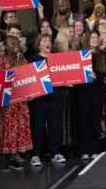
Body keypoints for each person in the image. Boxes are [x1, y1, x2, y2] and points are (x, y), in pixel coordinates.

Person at [0, 36, 32, 172]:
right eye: (12, 43)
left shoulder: (23, 59)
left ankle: (14, 156)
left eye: (17, 43)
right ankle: (4, 158)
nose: (15, 45)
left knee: (18, 129)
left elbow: (29, 76)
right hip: (7, 102)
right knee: (7, 129)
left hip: (21, 101)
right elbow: (0, 78)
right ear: (5, 46)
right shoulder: (0, 60)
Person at [29, 35, 66, 167]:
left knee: (56, 126)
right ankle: (35, 155)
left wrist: (68, 81)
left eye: (49, 40)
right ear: (38, 44)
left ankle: (56, 153)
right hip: (40, 99)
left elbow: (64, 76)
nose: (47, 43)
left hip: (56, 97)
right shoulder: (33, 59)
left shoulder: (57, 59)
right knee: (38, 126)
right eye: (44, 41)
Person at [77, 31, 105, 160]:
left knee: (95, 121)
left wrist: (97, 76)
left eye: (96, 37)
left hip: (97, 92)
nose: (94, 39)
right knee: (84, 121)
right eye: (92, 37)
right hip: (83, 92)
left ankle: (95, 149)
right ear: (87, 39)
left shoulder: (102, 55)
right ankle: (84, 149)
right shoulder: (81, 55)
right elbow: (75, 73)